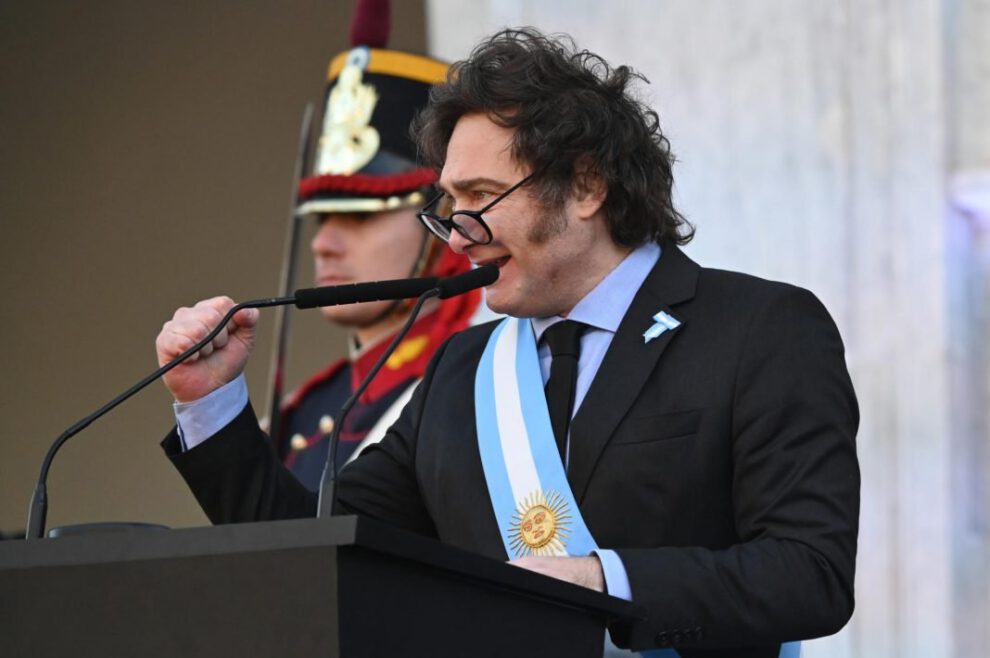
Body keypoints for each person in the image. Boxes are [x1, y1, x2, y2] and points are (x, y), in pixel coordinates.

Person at [157, 29, 860, 656]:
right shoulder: (465, 369)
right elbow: (312, 556)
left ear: (585, 185)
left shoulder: (759, 328)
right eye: (450, 205)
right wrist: (211, 405)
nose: (458, 233)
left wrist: (600, 581)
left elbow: (810, 574)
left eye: (482, 196)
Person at [165, 3, 482, 493]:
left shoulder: (484, 379)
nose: (323, 243)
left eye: (360, 216)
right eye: (322, 218)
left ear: (443, 219)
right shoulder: (305, 410)